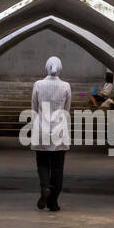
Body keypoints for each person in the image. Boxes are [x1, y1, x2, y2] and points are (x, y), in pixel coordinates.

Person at [30, 56, 71, 211]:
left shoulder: (38, 85)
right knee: (58, 168)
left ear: (46, 68)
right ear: (60, 68)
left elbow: (34, 108)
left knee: (42, 163)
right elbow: (66, 110)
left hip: (41, 129)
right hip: (59, 130)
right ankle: (53, 202)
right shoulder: (66, 86)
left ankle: (45, 186)